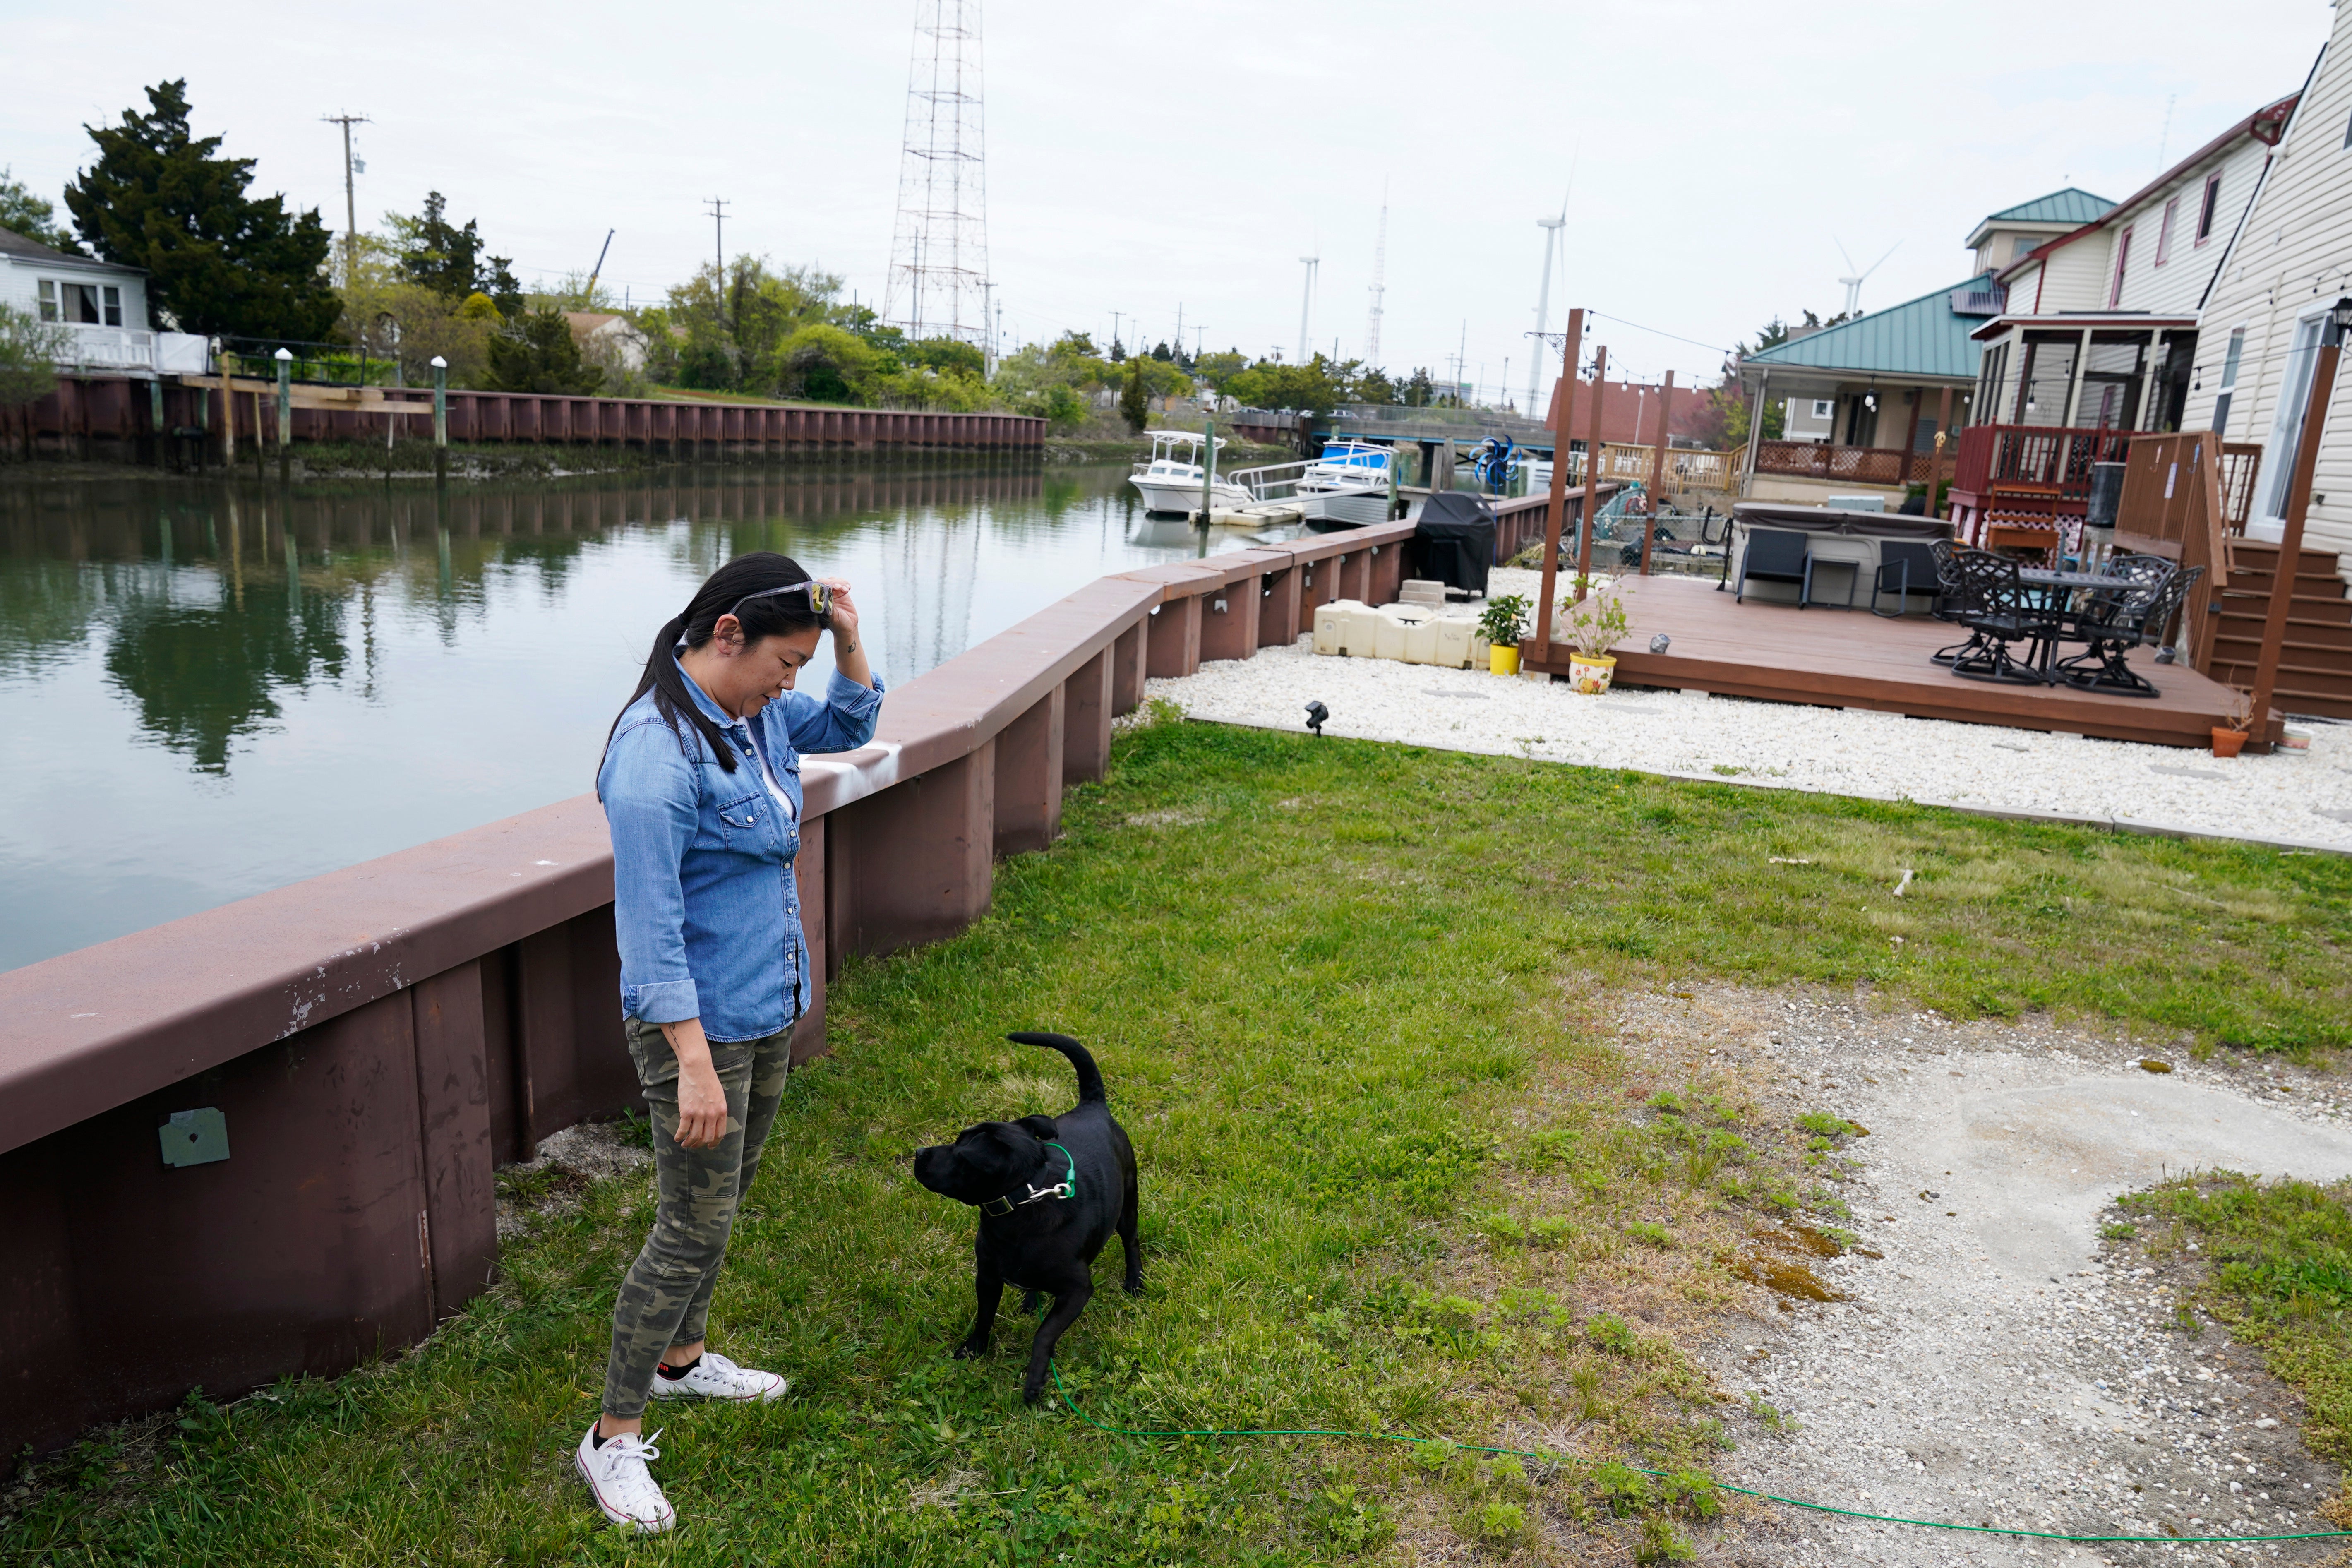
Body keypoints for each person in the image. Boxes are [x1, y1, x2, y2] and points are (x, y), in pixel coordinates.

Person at [576, 552, 882, 1533]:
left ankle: (681, 1360)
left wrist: (842, 633)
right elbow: (650, 930)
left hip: (763, 1006)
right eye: (782, 662)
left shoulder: (752, 719)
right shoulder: (655, 754)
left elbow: (851, 722)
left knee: (724, 1202)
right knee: (689, 1225)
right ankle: (612, 1434)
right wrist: (693, 1062)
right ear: (725, 636)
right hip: (694, 1030)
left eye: (800, 665)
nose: (790, 684)